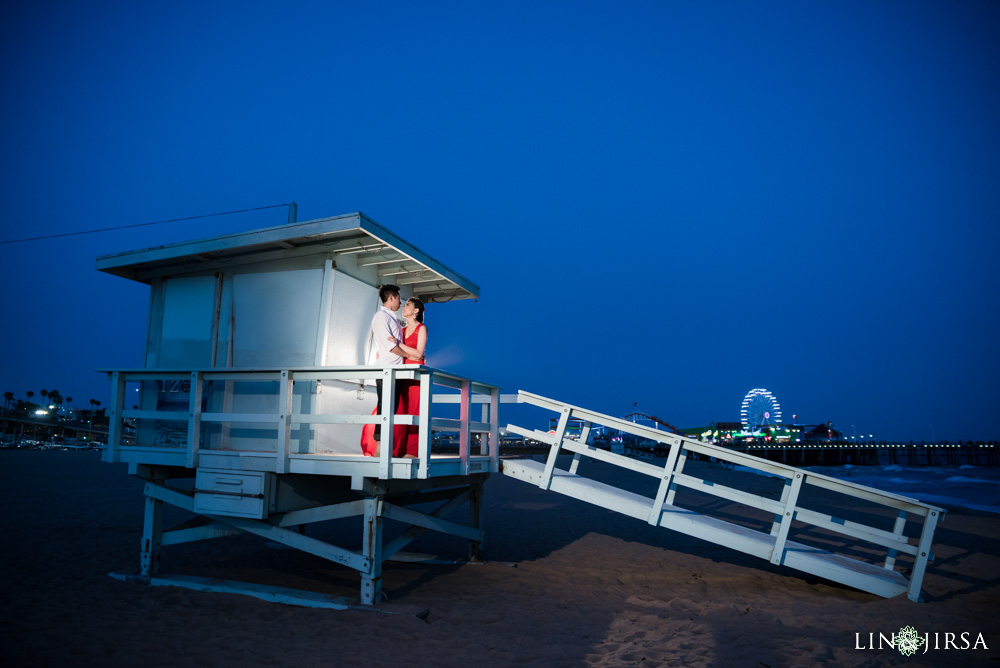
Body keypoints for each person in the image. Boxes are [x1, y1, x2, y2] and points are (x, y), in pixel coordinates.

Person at [360, 285, 408, 457]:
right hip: (387, 368)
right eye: (399, 298)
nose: (401, 302)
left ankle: (385, 445)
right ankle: (380, 447)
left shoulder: (391, 317)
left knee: (391, 408)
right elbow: (390, 347)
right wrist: (409, 354)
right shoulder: (380, 317)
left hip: (395, 368)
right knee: (384, 407)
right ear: (392, 298)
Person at [388, 297, 426, 455]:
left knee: (415, 410)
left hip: (416, 374)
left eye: (408, 305)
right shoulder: (402, 330)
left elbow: (419, 353)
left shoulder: (421, 328)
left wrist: (398, 344)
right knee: (400, 410)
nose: (404, 307)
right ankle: (398, 449)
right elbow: (412, 354)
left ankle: (412, 450)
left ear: (416, 310)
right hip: (402, 372)